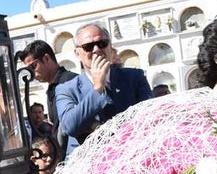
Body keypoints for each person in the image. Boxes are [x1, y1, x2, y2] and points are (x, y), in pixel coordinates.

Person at [55, 23, 152, 158]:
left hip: (131, 158)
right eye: (88, 47)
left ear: (110, 47)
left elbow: (150, 117)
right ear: (77, 54)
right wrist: (97, 88)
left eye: (102, 43)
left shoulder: (135, 77)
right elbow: (69, 126)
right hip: (87, 165)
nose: (96, 50)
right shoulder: (66, 89)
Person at [20, 40, 77, 161]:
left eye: (33, 66)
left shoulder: (71, 81)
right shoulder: (52, 88)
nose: (32, 73)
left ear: (46, 58)